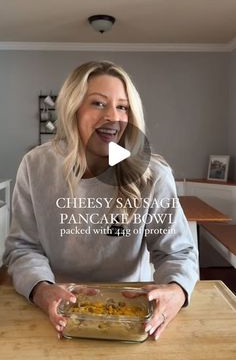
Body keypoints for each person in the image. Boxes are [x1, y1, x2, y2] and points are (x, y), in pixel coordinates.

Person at [3, 61, 198, 341]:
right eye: (98, 103)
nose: (113, 116)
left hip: (133, 316)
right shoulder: (35, 166)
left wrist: (176, 291)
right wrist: (42, 291)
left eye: (123, 107)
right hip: (57, 314)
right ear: (73, 109)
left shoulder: (153, 174)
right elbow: (23, 248)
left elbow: (177, 253)